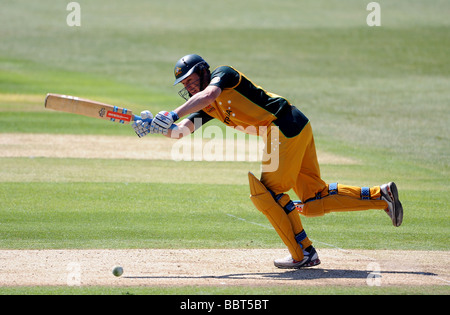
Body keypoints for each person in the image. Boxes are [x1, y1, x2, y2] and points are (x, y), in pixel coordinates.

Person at [132, 54, 403, 269]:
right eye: (185, 85)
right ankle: (383, 196)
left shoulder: (223, 75)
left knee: (268, 193)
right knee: (313, 198)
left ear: (204, 71)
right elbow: (180, 131)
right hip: (296, 127)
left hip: (284, 126)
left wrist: (172, 111)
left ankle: (303, 252)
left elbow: (208, 95)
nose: (189, 86)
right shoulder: (206, 108)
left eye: (191, 79)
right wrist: (156, 126)